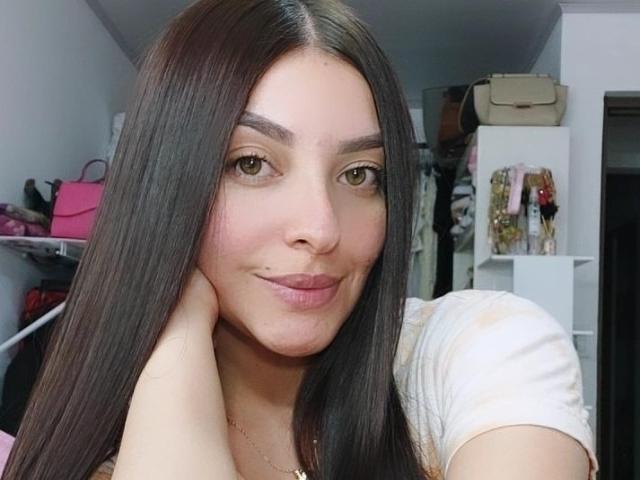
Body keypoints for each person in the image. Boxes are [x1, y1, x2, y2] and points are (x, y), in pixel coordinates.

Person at [1, 1, 599, 479]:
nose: (321, 228)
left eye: (359, 174)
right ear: (166, 188)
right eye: (252, 164)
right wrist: (178, 332)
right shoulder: (93, 443)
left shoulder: (475, 353)